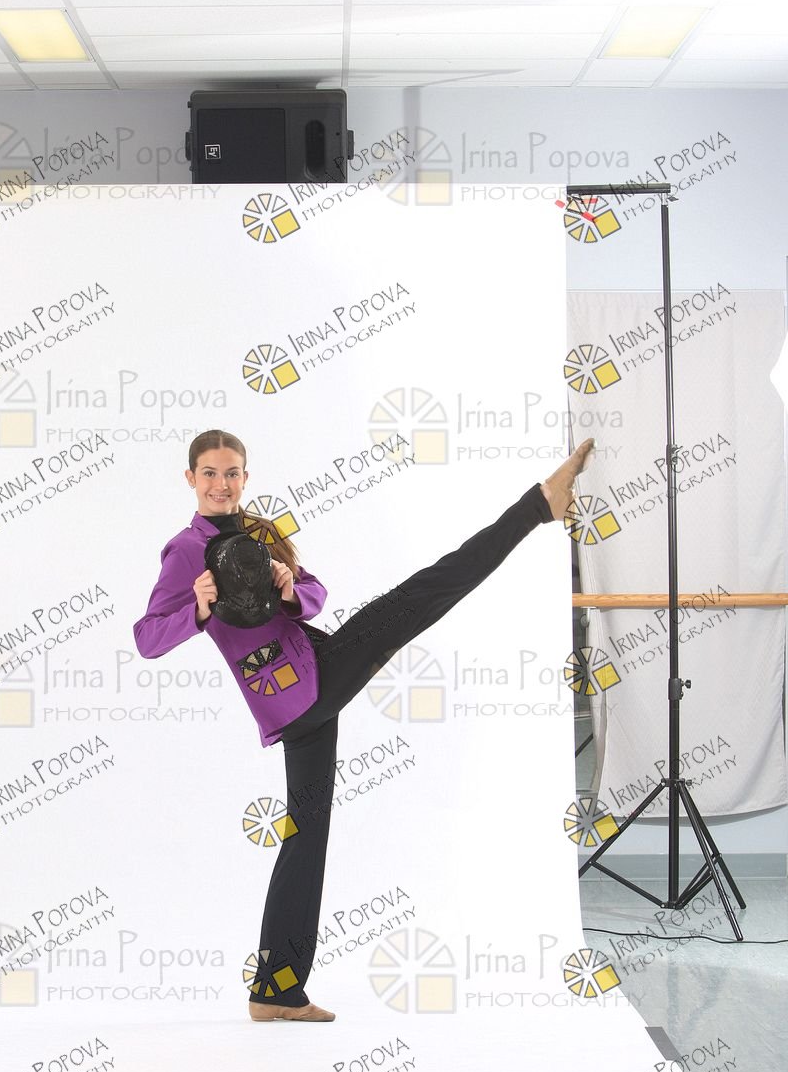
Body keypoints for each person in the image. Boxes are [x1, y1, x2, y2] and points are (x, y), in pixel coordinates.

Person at [133, 428, 594, 1024]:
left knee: (306, 836)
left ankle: (275, 991)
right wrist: (196, 607)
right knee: (423, 593)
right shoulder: (184, 552)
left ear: (245, 477)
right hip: (296, 692)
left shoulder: (260, 534)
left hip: (311, 676)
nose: (222, 485)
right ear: (191, 479)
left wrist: (290, 588)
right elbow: (147, 639)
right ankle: (539, 506)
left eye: (232, 473)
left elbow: (315, 594)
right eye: (210, 474)